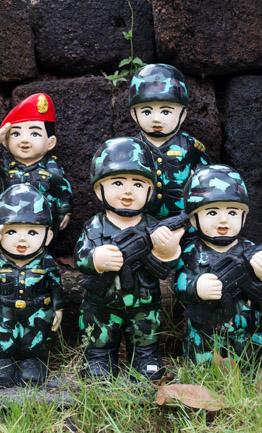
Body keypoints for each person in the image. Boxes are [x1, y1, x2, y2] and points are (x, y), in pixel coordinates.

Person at [74, 137, 184, 380]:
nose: (127, 192)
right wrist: (96, 259)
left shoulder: (152, 227)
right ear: (98, 188)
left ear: (150, 191)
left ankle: (145, 357)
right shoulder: (95, 226)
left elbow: (162, 269)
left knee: (144, 331)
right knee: (100, 334)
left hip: (143, 302)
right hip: (104, 301)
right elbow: (80, 256)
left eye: (137, 184)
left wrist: (166, 253)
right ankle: (99, 358)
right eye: (117, 182)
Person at [175, 165, 262, 364]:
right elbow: (180, 282)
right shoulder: (192, 251)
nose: (223, 221)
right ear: (194, 219)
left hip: (246, 328)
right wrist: (195, 287)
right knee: (202, 363)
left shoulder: (250, 250)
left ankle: (249, 374)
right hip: (204, 331)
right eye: (212, 213)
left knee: (250, 361)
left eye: (232, 213)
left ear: (244, 216)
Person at [0, 184, 63, 386]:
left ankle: (32, 363)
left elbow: (56, 284)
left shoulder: (46, 262)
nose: (22, 239)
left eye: (32, 232)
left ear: (48, 236)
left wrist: (59, 308)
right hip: (3, 309)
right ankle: (1, 364)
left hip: (36, 310)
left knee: (34, 340)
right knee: (1, 337)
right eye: (11, 232)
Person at [0, 92, 73, 230]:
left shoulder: (52, 169)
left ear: (50, 142)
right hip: (10, 220)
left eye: (35, 133)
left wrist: (64, 210)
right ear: (6, 142)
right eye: (16, 134)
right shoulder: (7, 167)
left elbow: (63, 191)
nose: (24, 140)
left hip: (42, 223)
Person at [128, 63, 210, 219]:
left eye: (166, 111)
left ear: (183, 113)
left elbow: (207, 185)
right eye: (146, 111)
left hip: (183, 220)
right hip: (141, 222)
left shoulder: (192, 147)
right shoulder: (130, 148)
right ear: (134, 113)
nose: (156, 119)